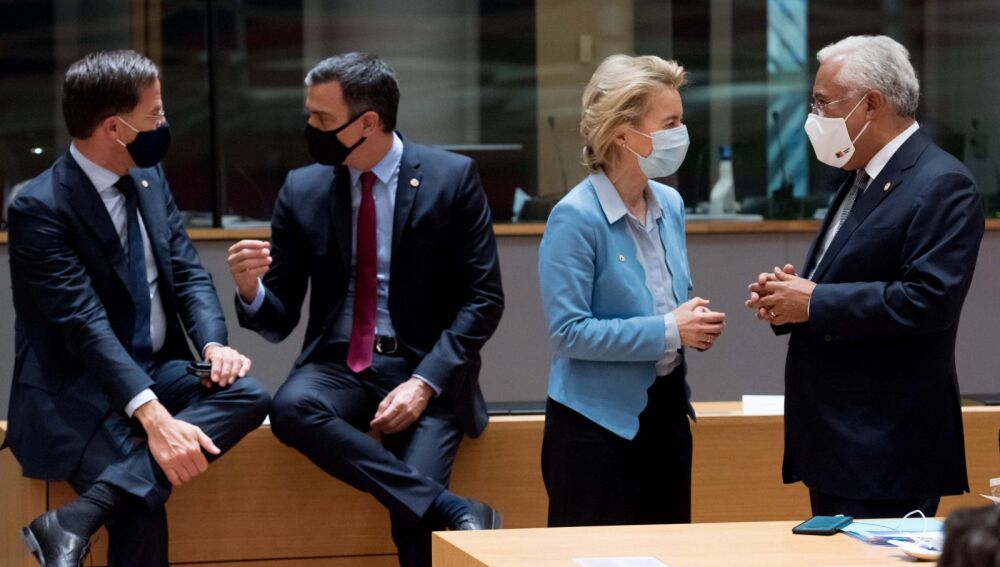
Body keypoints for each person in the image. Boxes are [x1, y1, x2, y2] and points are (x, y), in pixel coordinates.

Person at [227, 52, 504, 567]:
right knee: (289, 408)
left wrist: (423, 384)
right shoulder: (304, 188)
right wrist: (251, 290)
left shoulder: (451, 178)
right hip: (339, 365)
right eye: (310, 115)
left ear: (368, 122)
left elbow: (484, 298)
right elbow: (279, 318)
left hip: (423, 366)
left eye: (322, 119)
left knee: (412, 522)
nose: (310, 129)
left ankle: (432, 505)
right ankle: (452, 507)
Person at [5, 50, 271, 567]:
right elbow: (84, 324)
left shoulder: (149, 176)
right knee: (140, 511)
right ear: (115, 127)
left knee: (250, 394)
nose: (164, 124)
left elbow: (188, 272)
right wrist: (155, 418)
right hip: (76, 388)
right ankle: (84, 515)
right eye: (156, 114)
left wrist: (213, 345)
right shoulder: (38, 205)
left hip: (155, 367)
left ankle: (75, 519)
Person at [745, 35, 984, 518]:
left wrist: (813, 301)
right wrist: (788, 299)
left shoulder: (941, 183)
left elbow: (928, 300)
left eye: (822, 103)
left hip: (888, 445)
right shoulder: (860, 176)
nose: (814, 117)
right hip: (838, 440)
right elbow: (840, 279)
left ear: (870, 104)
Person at [537, 54, 726, 527]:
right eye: (670, 123)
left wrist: (691, 323)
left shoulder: (670, 203)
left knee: (668, 553)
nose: (682, 134)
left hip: (666, 413)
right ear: (623, 134)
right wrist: (670, 329)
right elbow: (569, 332)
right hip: (594, 429)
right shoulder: (575, 216)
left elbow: (665, 301)